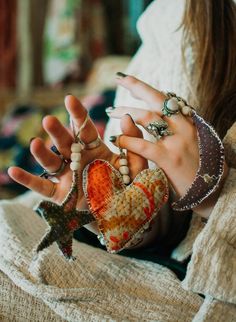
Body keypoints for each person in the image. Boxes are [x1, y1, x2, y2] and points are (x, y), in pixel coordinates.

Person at [1, 0, 236, 321]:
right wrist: (134, 222)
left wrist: (215, 198)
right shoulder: (177, 15)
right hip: (154, 268)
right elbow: (174, 226)